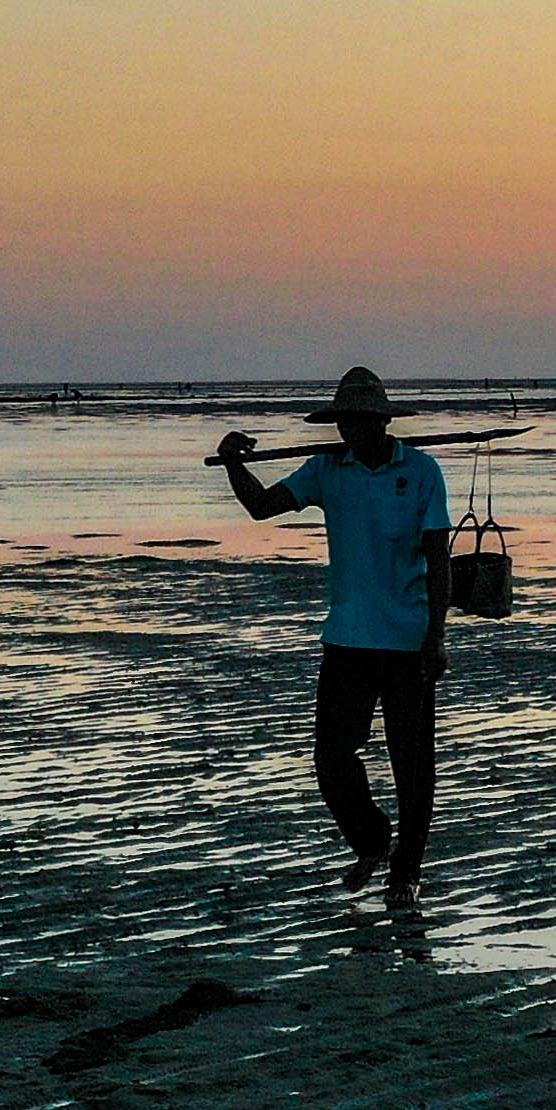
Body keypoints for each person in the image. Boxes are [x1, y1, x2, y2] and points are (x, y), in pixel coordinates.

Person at [217, 367, 448, 905]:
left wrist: (437, 636)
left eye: (361, 422)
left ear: (382, 421)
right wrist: (233, 463)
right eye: (344, 423)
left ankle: (406, 874)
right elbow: (261, 506)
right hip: (346, 639)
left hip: (408, 641)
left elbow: (439, 560)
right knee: (331, 758)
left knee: (412, 766)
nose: (352, 431)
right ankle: (371, 838)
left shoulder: (421, 471)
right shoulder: (326, 470)